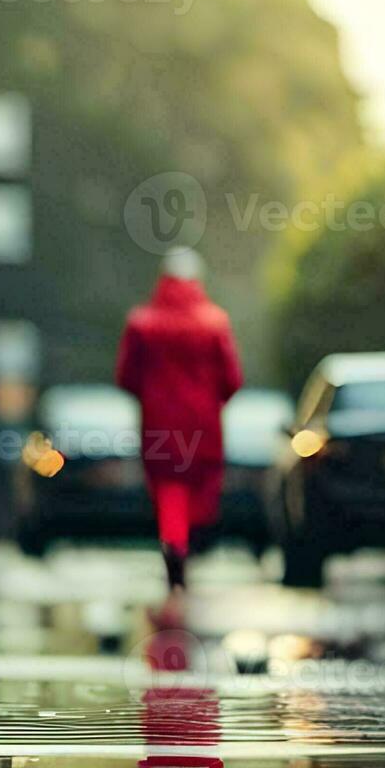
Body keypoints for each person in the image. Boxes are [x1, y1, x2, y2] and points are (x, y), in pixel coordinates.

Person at [115, 248, 243, 600]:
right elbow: (232, 379)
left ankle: (176, 544)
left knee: (170, 490)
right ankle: (190, 541)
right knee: (201, 490)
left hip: (159, 427)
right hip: (203, 427)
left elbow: (126, 377)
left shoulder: (142, 323)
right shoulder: (215, 322)